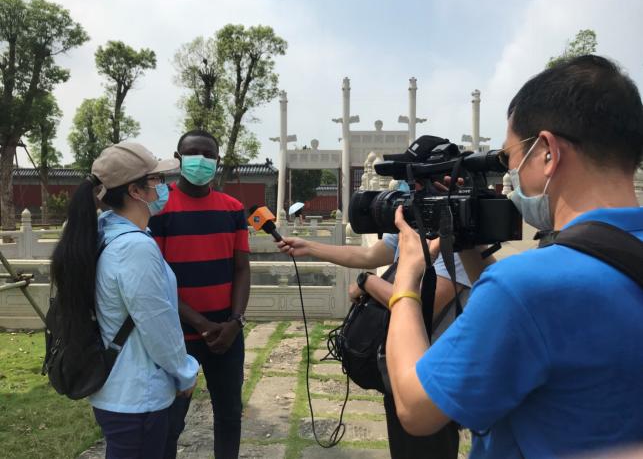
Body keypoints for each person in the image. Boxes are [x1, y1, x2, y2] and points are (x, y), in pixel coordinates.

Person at [386, 55, 643, 458]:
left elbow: (415, 409)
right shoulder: (534, 289)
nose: (512, 175)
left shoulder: (524, 288)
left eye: (510, 158)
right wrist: (468, 244)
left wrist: (406, 279)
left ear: (547, 152)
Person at [277, 189, 472, 459]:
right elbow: (368, 255)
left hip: (431, 372)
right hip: (399, 363)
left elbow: (418, 302)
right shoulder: (415, 223)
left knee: (426, 448)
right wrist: (309, 247)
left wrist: (367, 282)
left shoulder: (456, 243)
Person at [50, 142, 199, 459]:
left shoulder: (105, 232)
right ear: (135, 191)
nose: (163, 188)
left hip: (119, 389)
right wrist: (185, 371)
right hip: (138, 395)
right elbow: (157, 325)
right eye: (157, 180)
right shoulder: (134, 247)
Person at [149, 130, 250, 459]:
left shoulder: (233, 209)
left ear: (218, 161)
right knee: (171, 421)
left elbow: (241, 269)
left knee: (230, 415)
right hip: (177, 335)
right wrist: (200, 323)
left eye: (209, 155)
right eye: (194, 154)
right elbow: (156, 279)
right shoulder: (159, 208)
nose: (202, 161)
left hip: (227, 334)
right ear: (178, 159)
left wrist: (235, 321)